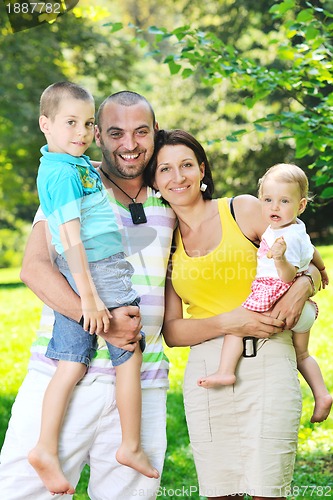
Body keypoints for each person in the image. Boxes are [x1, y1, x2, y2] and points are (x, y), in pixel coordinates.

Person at [0, 91, 177, 500]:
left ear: (155, 134)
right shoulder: (77, 181)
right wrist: (96, 318)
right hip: (64, 374)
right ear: (99, 135)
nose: (129, 144)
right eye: (116, 132)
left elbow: (250, 232)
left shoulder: (172, 193)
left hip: (142, 383)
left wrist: (308, 272)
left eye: (140, 132)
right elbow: (35, 268)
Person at [144, 129, 322, 500]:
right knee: (219, 493)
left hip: (269, 359)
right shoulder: (163, 240)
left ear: (202, 169)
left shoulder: (240, 209)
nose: (178, 177)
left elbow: (316, 265)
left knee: (267, 491)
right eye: (164, 169)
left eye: (187, 165)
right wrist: (231, 322)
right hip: (208, 373)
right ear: (155, 180)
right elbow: (174, 333)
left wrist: (302, 288)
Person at [198, 163, 332, 424]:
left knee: (237, 326)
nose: (274, 207)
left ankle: (226, 371)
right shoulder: (296, 228)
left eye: (284, 201)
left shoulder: (282, 239)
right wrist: (322, 270)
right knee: (302, 355)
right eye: (268, 200)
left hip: (276, 294)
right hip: (303, 310)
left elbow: (287, 275)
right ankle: (322, 393)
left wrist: (281, 259)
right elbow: (312, 250)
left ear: (301, 205)